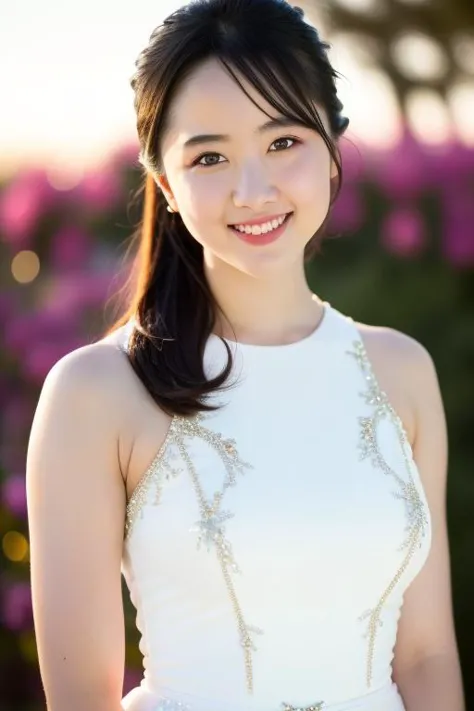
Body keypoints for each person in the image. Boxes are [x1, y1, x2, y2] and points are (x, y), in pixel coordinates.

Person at [26, 0, 465, 710]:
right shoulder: (97, 391)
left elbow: (425, 654)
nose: (252, 189)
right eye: (209, 157)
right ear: (165, 183)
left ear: (332, 145)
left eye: (283, 142)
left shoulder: (402, 374)